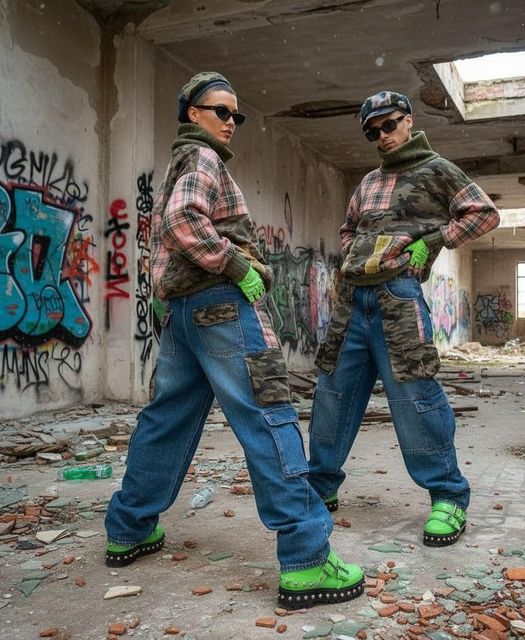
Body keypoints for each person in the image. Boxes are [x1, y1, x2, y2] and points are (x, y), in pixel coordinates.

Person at [104, 72, 364, 609]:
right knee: (268, 416)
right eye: (220, 111)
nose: (230, 122)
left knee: (166, 419)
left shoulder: (180, 162)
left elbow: (168, 231)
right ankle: (307, 558)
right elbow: (182, 219)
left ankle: (129, 527)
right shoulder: (203, 159)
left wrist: (174, 291)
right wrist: (236, 263)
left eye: (236, 115)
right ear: (191, 113)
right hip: (222, 307)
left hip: (185, 312)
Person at [308, 91, 500, 547]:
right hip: (352, 300)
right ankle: (320, 486)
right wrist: (355, 255)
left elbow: (485, 214)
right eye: (372, 131)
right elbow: (349, 228)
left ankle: (448, 497)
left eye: (389, 124)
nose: (383, 135)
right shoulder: (369, 181)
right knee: (333, 393)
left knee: (415, 396)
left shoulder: (438, 170)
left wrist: (434, 240)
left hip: (398, 297)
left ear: (409, 120)